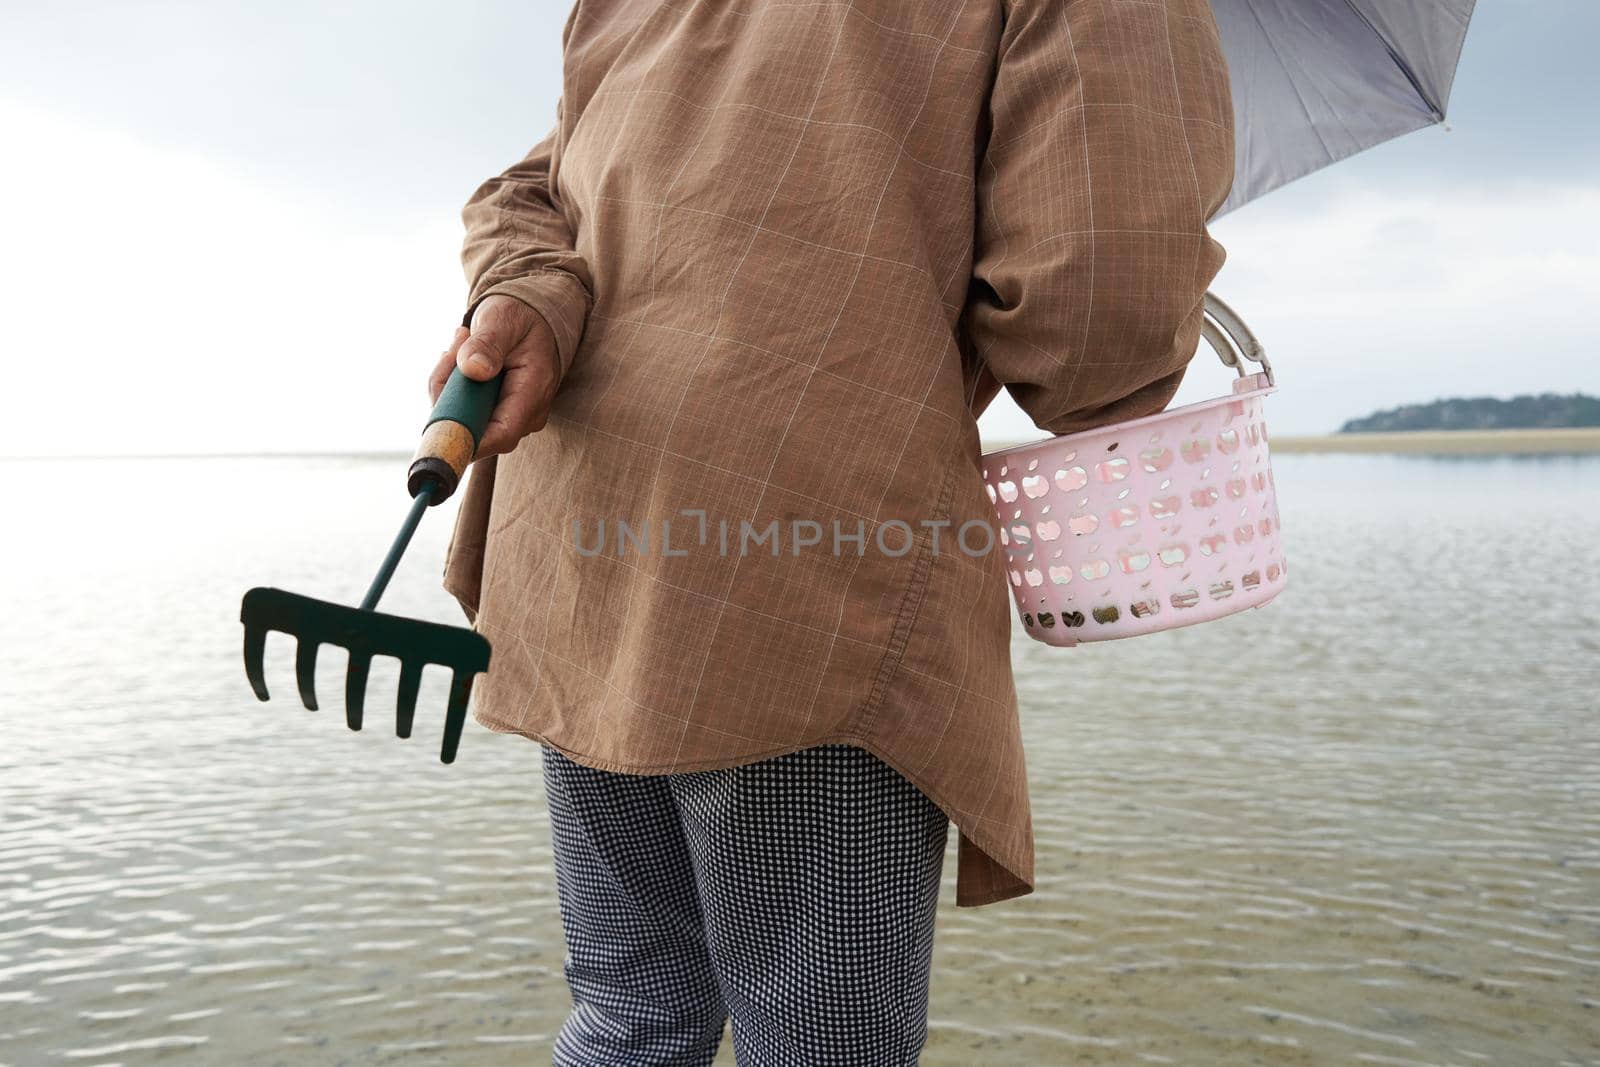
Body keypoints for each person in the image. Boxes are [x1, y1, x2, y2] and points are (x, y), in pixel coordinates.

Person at [428, 1, 1235, 1063]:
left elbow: (531, 186)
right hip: (808, 569)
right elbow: (1088, 333)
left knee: (632, 1019)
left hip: (578, 547)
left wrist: (527, 287)